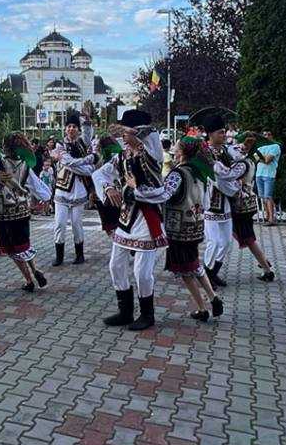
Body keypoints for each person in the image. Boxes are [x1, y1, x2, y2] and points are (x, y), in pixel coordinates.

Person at [92, 110, 167, 331]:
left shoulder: (152, 153)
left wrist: (134, 132)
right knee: (115, 265)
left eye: (125, 130)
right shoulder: (122, 156)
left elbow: (150, 133)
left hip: (147, 218)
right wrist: (108, 188)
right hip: (126, 218)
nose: (122, 136)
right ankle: (125, 311)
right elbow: (99, 175)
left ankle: (147, 314)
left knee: (141, 272)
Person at [158, 137, 224, 322]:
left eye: (176, 148)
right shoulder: (199, 173)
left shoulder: (177, 174)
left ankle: (203, 307)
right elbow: (207, 203)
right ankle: (213, 297)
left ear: (182, 152)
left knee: (186, 270)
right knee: (194, 264)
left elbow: (164, 195)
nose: (173, 150)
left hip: (178, 227)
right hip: (195, 225)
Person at [0, 133, 51, 292]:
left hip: (3, 212)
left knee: (11, 249)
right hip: (22, 211)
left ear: (5, 146)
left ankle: (29, 279)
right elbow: (40, 189)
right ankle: (36, 269)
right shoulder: (25, 165)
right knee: (24, 245)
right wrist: (45, 198)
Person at [202, 115, 246, 289]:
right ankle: (205, 276)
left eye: (224, 132)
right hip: (210, 201)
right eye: (220, 132)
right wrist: (243, 168)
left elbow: (237, 160)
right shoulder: (205, 152)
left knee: (226, 241)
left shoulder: (225, 150)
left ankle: (212, 273)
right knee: (213, 241)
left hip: (226, 201)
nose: (224, 135)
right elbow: (223, 174)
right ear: (210, 134)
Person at [51, 111, 95, 266]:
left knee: (77, 223)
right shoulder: (60, 145)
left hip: (79, 189)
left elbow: (88, 133)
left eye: (74, 126)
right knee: (59, 224)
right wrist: (89, 161)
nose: (71, 129)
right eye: (69, 126)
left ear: (78, 129)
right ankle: (59, 256)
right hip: (62, 189)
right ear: (65, 129)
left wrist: (87, 121)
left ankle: (79, 254)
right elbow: (68, 162)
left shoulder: (83, 142)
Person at [231, 132, 276, 281]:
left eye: (238, 146)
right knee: (248, 237)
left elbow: (230, 178)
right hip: (249, 202)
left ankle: (266, 267)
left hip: (241, 204)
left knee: (247, 238)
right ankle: (264, 264)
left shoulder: (242, 163)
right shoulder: (253, 159)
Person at [255, 130, 281, 225]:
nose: (266, 136)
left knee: (268, 196)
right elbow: (256, 158)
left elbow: (267, 160)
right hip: (259, 173)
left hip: (269, 174)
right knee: (262, 197)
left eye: (269, 134)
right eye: (264, 134)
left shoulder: (275, 146)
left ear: (272, 136)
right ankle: (267, 216)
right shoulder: (260, 146)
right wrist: (263, 158)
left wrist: (261, 158)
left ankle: (271, 219)